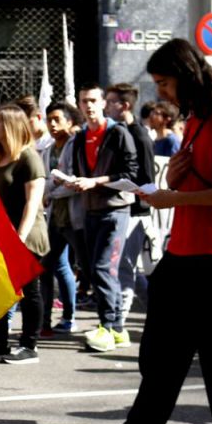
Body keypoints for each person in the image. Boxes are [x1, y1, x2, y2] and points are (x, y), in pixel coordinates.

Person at [73, 38, 212, 424]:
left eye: (164, 82)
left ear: (186, 74)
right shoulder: (196, 119)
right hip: (185, 249)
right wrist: (174, 179)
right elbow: (183, 175)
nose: (162, 93)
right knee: (162, 355)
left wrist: (178, 194)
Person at [65, 84, 139, 352]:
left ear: (104, 103)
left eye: (94, 100)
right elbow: (79, 171)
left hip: (115, 209)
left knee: (102, 268)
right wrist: (75, 183)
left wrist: (95, 182)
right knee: (97, 269)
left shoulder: (118, 133)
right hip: (90, 209)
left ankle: (108, 326)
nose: (89, 106)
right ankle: (117, 328)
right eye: (84, 101)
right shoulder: (80, 136)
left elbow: (130, 174)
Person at [0, 104, 47, 364]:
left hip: (27, 236)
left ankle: (29, 346)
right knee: (0, 292)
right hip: (3, 237)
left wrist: (20, 238)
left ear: (13, 126)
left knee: (30, 292)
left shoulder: (29, 157)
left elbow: (32, 202)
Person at [106, 83, 156, 328]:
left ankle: (118, 325)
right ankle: (158, 315)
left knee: (125, 267)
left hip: (136, 212)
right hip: (122, 208)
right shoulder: (119, 131)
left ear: (124, 106)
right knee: (126, 268)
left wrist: (121, 185)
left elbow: (146, 178)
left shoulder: (140, 136)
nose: (106, 106)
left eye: (110, 102)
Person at [40, 101, 78, 334]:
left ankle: (71, 317)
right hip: (54, 217)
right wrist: (53, 186)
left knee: (87, 267)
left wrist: (51, 189)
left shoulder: (76, 146)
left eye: (57, 119)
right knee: (48, 265)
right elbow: (45, 181)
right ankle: (45, 319)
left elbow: (74, 182)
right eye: (49, 120)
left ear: (69, 122)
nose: (52, 125)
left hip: (75, 216)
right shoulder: (46, 151)